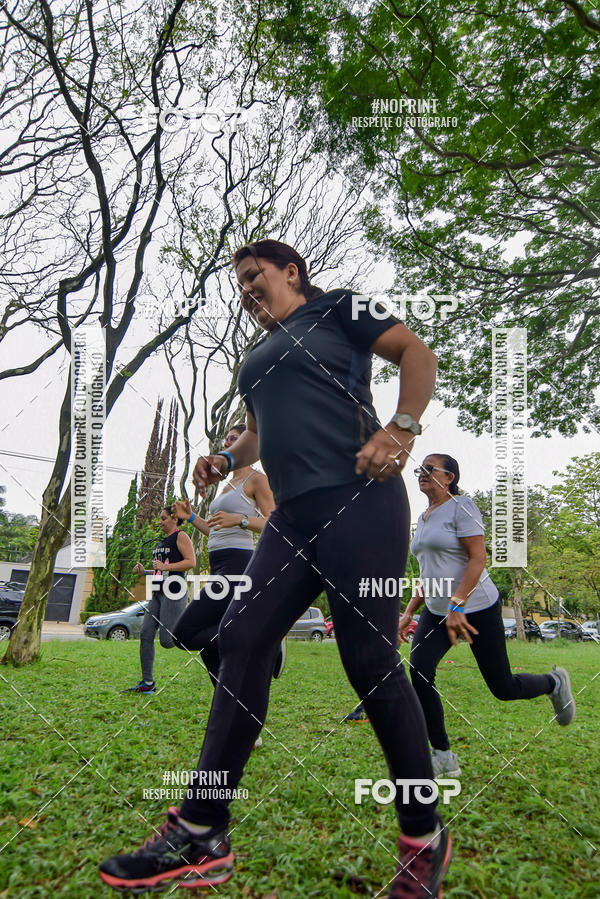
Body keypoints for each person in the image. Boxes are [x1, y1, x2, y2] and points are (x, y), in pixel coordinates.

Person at [100, 239, 451, 898]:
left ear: (292, 272)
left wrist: (402, 427)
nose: (245, 290)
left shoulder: (340, 307)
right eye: (238, 284)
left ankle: (423, 836)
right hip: (291, 517)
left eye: (253, 276)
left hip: (360, 498)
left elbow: (417, 352)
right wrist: (225, 459)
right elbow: (258, 434)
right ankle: (203, 829)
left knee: (370, 662)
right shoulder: (255, 360)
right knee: (240, 638)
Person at [402, 454, 575, 778]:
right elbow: (428, 573)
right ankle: (443, 755)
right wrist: (410, 611)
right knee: (420, 672)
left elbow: (478, 559)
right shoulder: (423, 518)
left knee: (503, 687)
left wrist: (458, 605)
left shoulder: (462, 506)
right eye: (419, 469)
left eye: (429, 469)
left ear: (450, 477)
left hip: (477, 608)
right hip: (437, 612)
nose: (421, 473)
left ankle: (554, 682)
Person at [172, 423, 282, 694]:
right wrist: (191, 517)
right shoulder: (225, 486)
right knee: (210, 647)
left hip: (238, 565)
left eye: (234, 438)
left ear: (248, 443)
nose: (227, 442)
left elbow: (275, 523)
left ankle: (266, 641)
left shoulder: (257, 479)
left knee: (184, 634)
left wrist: (240, 519)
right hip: (219, 563)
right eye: (226, 439)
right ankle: (231, 703)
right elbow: (216, 529)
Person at [122, 506, 196, 694]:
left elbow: (191, 562)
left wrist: (164, 567)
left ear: (174, 519)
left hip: (173, 592)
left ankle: (198, 628)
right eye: (160, 519)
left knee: (167, 641)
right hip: (157, 592)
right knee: (146, 633)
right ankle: (147, 683)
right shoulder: (160, 543)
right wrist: (144, 571)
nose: (160, 522)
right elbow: (160, 570)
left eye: (163, 518)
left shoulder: (180, 536)